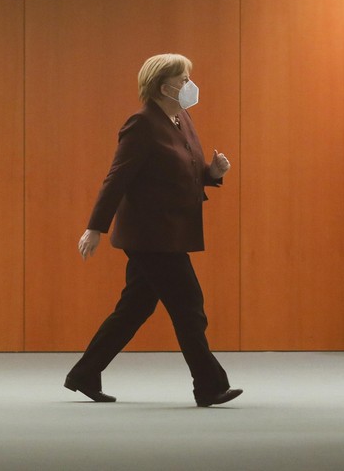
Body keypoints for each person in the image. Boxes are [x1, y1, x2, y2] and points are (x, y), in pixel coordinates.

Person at [65, 53, 243, 408]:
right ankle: (209, 385)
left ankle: (84, 373)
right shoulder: (142, 123)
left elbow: (183, 169)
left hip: (171, 232)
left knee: (134, 308)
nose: (191, 85)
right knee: (190, 305)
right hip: (150, 236)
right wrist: (95, 228)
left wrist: (213, 173)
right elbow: (117, 178)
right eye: (184, 79)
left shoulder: (181, 118)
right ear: (165, 86)